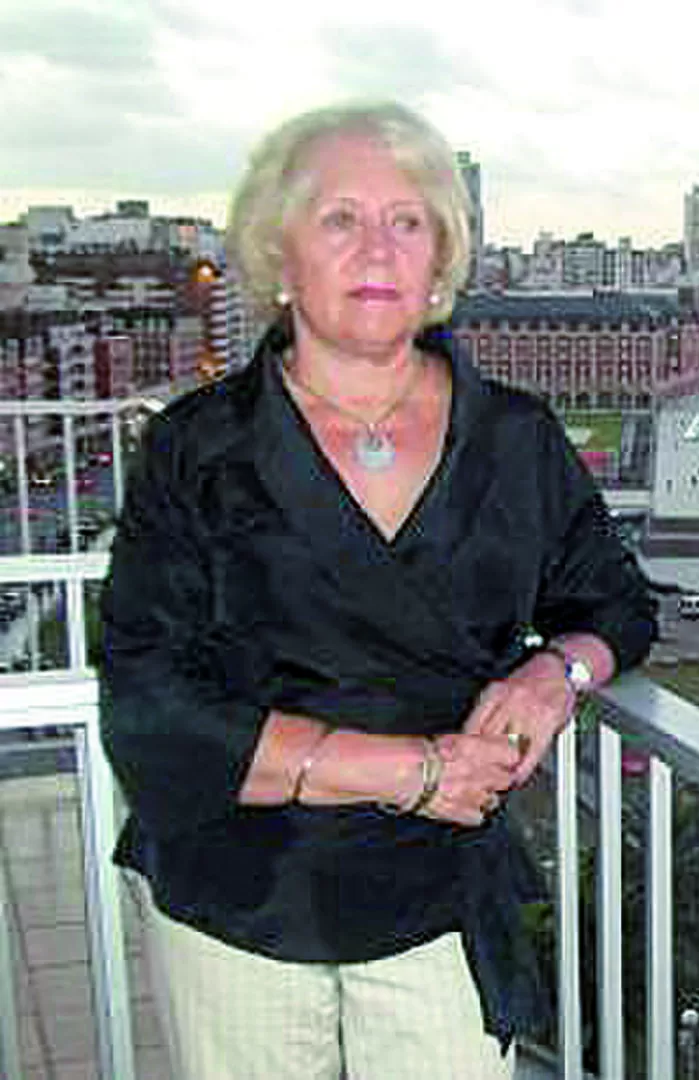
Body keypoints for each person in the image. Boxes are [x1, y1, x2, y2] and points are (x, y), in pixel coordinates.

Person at [100, 100, 658, 1080]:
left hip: (437, 898)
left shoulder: (514, 438)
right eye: (339, 218)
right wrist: (413, 771)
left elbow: (613, 601)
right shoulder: (198, 448)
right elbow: (150, 708)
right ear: (281, 251)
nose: (377, 249)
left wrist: (555, 676)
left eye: (408, 220)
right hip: (240, 895)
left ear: (441, 256)